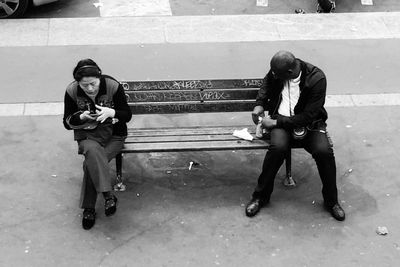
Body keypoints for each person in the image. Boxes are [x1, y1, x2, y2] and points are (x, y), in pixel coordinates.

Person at [245, 51, 345, 221]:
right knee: (277, 149)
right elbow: (267, 83)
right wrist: (259, 104)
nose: (274, 76)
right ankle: (260, 197)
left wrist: (276, 123)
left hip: (309, 124)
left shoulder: (317, 79)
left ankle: (332, 201)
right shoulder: (279, 70)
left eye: (278, 75)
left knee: (324, 152)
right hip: (281, 122)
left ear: (290, 73)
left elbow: (309, 116)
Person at [63, 59, 132, 230]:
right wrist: (81, 117)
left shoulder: (112, 86)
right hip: (88, 136)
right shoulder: (72, 91)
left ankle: (89, 208)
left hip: (114, 136)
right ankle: (108, 195)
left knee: (90, 164)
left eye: (93, 83)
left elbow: (127, 115)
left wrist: (112, 112)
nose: (90, 88)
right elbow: (66, 122)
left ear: (99, 77)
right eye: (85, 85)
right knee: (92, 153)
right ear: (78, 83)